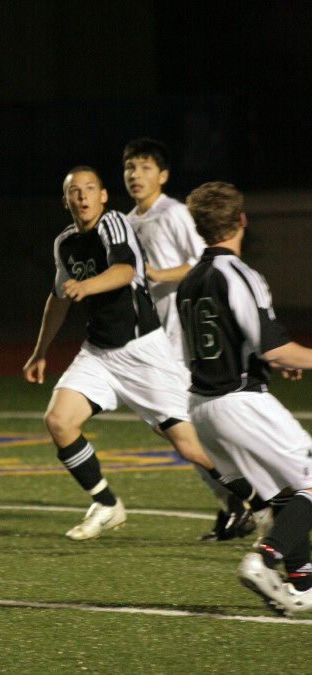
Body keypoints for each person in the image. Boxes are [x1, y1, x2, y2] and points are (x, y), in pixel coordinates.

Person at [23, 166, 265, 541]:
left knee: (190, 447)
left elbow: (124, 270)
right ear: (66, 200)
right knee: (58, 421)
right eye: (75, 191)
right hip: (99, 353)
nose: (83, 196)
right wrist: (40, 350)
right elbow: (58, 298)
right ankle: (106, 503)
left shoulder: (114, 223)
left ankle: (258, 501)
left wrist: (85, 287)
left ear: (103, 195)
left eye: (90, 189)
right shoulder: (65, 243)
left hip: (143, 352)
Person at [176, 180, 312, 615]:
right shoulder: (240, 273)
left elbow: (230, 342)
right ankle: (264, 559)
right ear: (241, 221)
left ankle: (303, 584)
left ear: (198, 228)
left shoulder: (189, 280)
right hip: (238, 401)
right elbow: (271, 346)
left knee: (288, 496)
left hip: (201, 407)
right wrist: (279, 357)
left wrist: (270, 358)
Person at [123, 137, 253, 542]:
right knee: (178, 429)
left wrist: (157, 274)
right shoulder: (127, 221)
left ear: (163, 175)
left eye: (144, 167)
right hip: (151, 341)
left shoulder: (175, 213)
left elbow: (207, 259)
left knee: (185, 429)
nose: (135, 175)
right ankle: (235, 499)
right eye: (130, 167)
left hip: (182, 339)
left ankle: (245, 498)